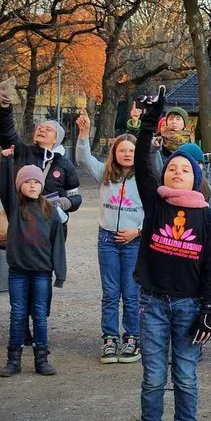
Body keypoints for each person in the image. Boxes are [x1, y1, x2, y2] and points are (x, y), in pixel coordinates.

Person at [132, 87, 211, 421]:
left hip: (188, 308)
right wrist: (151, 118)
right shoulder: (156, 202)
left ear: (196, 179)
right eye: (172, 168)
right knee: (153, 378)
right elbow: (140, 162)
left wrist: (208, 311)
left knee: (185, 377)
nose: (177, 172)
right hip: (152, 302)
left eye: (185, 170)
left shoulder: (207, 217)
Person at [0, 80, 82, 289]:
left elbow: (76, 198)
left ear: (57, 139)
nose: (42, 130)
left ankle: (41, 313)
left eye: (48, 129)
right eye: (40, 128)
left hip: (51, 227)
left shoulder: (65, 164)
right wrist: (5, 105)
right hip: (22, 224)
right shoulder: (23, 153)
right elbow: (7, 134)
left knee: (43, 279)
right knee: (20, 276)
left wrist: (63, 203)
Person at [76, 114, 144, 364]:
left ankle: (132, 338)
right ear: (114, 153)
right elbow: (83, 159)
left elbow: (156, 212)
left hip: (133, 241)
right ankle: (109, 338)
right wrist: (84, 133)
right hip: (107, 241)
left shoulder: (145, 178)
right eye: (122, 150)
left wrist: (137, 231)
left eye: (131, 150)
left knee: (131, 292)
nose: (126, 154)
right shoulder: (105, 174)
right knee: (110, 292)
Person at [0, 163, 63, 377]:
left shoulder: (51, 211)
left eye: (36, 182)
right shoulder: (14, 207)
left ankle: (41, 359)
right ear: (19, 187)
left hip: (42, 272)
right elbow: (3, 187)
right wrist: (5, 162)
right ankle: (13, 360)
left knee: (40, 315)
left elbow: (58, 243)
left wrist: (60, 273)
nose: (33, 185)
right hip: (18, 271)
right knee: (17, 314)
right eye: (27, 182)